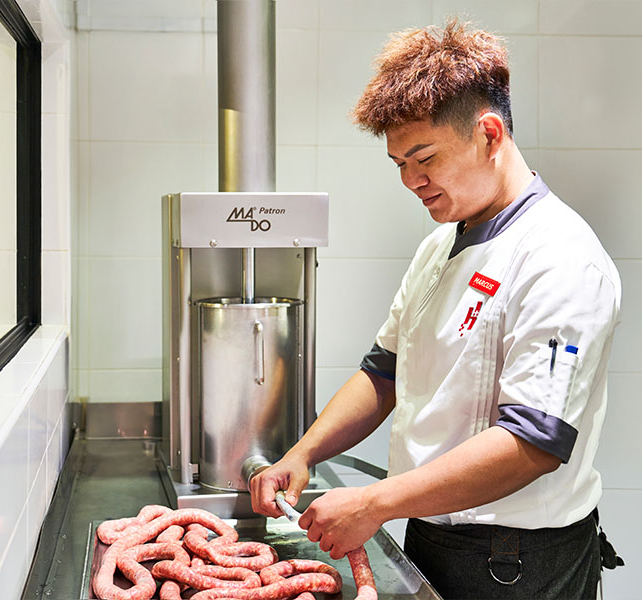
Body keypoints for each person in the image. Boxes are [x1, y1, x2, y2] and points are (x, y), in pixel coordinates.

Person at [248, 20, 622, 599]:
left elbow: (532, 445)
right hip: (428, 530)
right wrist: (301, 455)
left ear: (489, 133)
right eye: (399, 163)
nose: (410, 181)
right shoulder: (440, 245)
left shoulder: (560, 258)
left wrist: (373, 502)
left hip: (516, 563)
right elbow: (383, 373)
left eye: (423, 158)